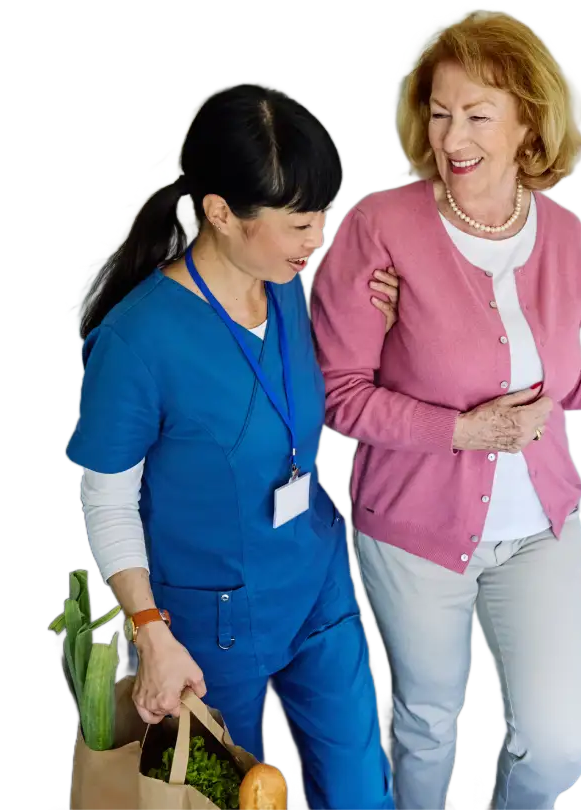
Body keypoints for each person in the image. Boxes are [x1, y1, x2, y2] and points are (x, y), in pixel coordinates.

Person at [309, 10, 581, 810]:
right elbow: (335, 394)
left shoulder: (564, 236)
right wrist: (460, 430)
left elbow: (549, 393)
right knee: (425, 723)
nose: (453, 134)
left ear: (529, 121)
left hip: (540, 529)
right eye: (440, 111)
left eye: (478, 114)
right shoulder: (380, 227)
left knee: (562, 739)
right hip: (415, 530)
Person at [64, 81, 401, 810]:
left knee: (360, 792)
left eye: (323, 217)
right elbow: (110, 504)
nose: (318, 240)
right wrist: (151, 635)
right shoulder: (137, 340)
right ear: (221, 212)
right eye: (300, 223)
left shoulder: (282, 286)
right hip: (201, 629)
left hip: (313, 587)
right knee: (223, 798)